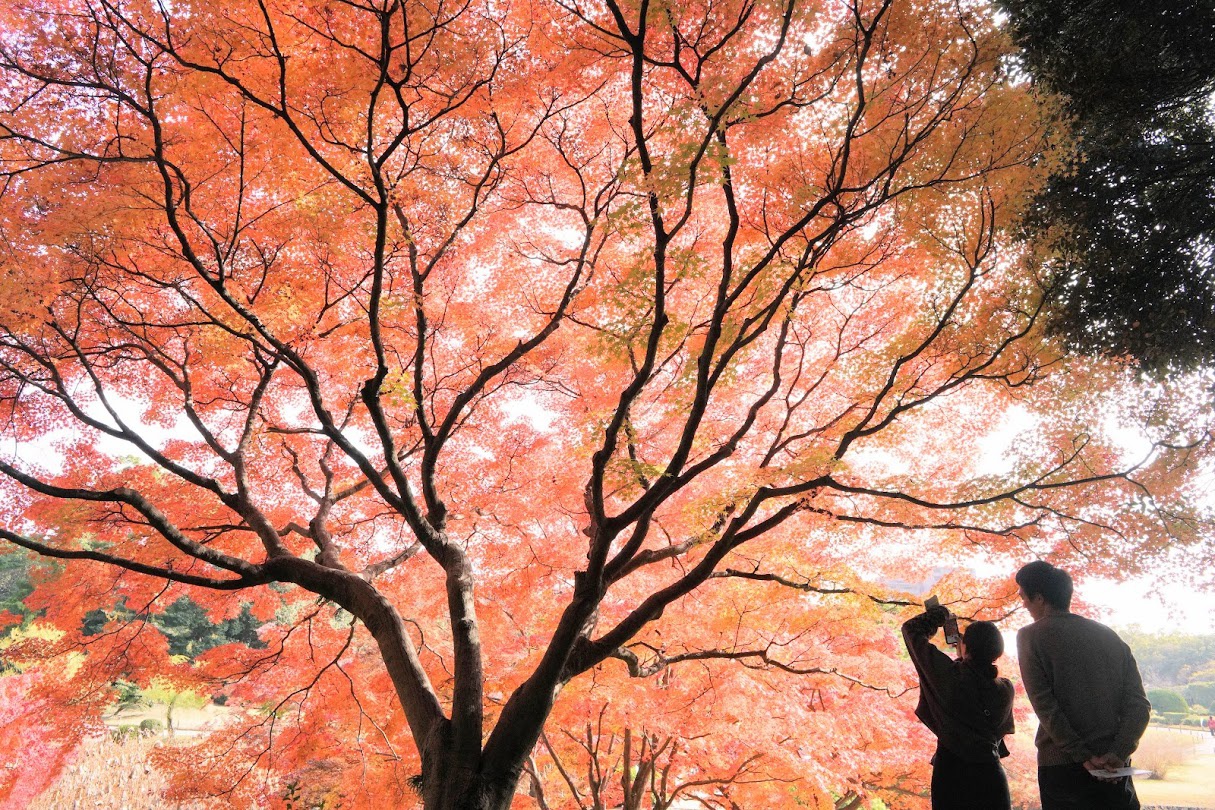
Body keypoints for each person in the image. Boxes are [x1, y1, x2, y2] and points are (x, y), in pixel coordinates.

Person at [1015, 560, 1151, 810]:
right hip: (1115, 770)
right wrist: (1118, 753)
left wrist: (1083, 756)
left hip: (1062, 768)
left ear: (1040, 598)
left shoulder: (1030, 636)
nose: (1023, 604)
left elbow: (1045, 706)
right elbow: (1139, 706)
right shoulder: (1110, 636)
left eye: (1024, 597)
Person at [903, 603, 1015, 810]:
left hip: (952, 772)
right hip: (990, 775)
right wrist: (967, 656)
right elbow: (977, 680)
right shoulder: (1005, 688)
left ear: (966, 647)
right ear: (997, 652)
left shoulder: (948, 677)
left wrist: (940, 615)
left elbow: (911, 630)